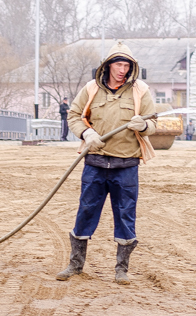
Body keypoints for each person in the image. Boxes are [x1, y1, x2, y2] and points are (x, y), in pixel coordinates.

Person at [58, 41, 157, 285]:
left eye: (127, 65)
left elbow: (153, 123)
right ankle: (75, 265)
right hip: (95, 162)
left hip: (126, 165)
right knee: (86, 211)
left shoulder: (140, 90)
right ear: (108, 65)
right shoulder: (92, 88)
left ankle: (121, 269)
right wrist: (86, 134)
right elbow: (74, 116)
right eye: (118, 64)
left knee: (125, 215)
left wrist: (144, 126)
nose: (123, 69)